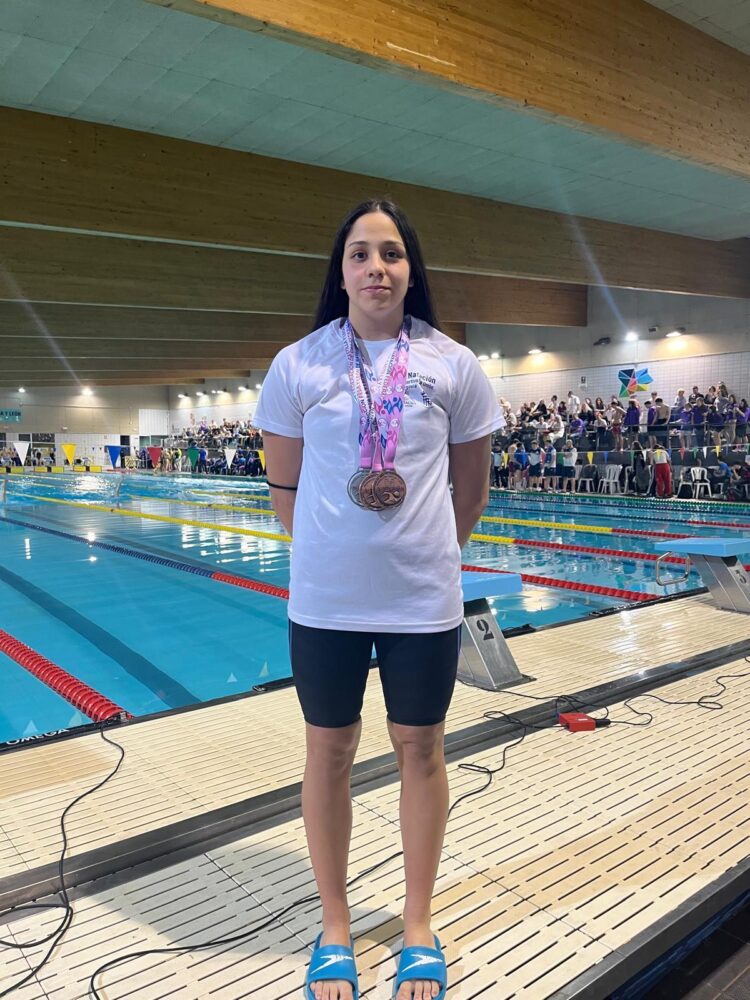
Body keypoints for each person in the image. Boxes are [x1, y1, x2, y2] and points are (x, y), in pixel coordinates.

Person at [254, 200, 502, 1000]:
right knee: (327, 752)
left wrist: (420, 550)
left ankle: (417, 923)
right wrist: (335, 551)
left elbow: (471, 490)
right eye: (360, 254)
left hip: (422, 601)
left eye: (390, 254)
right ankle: (335, 927)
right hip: (324, 600)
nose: (376, 269)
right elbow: (284, 489)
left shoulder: (452, 364)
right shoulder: (301, 364)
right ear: (341, 271)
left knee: (420, 751)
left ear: (410, 268)